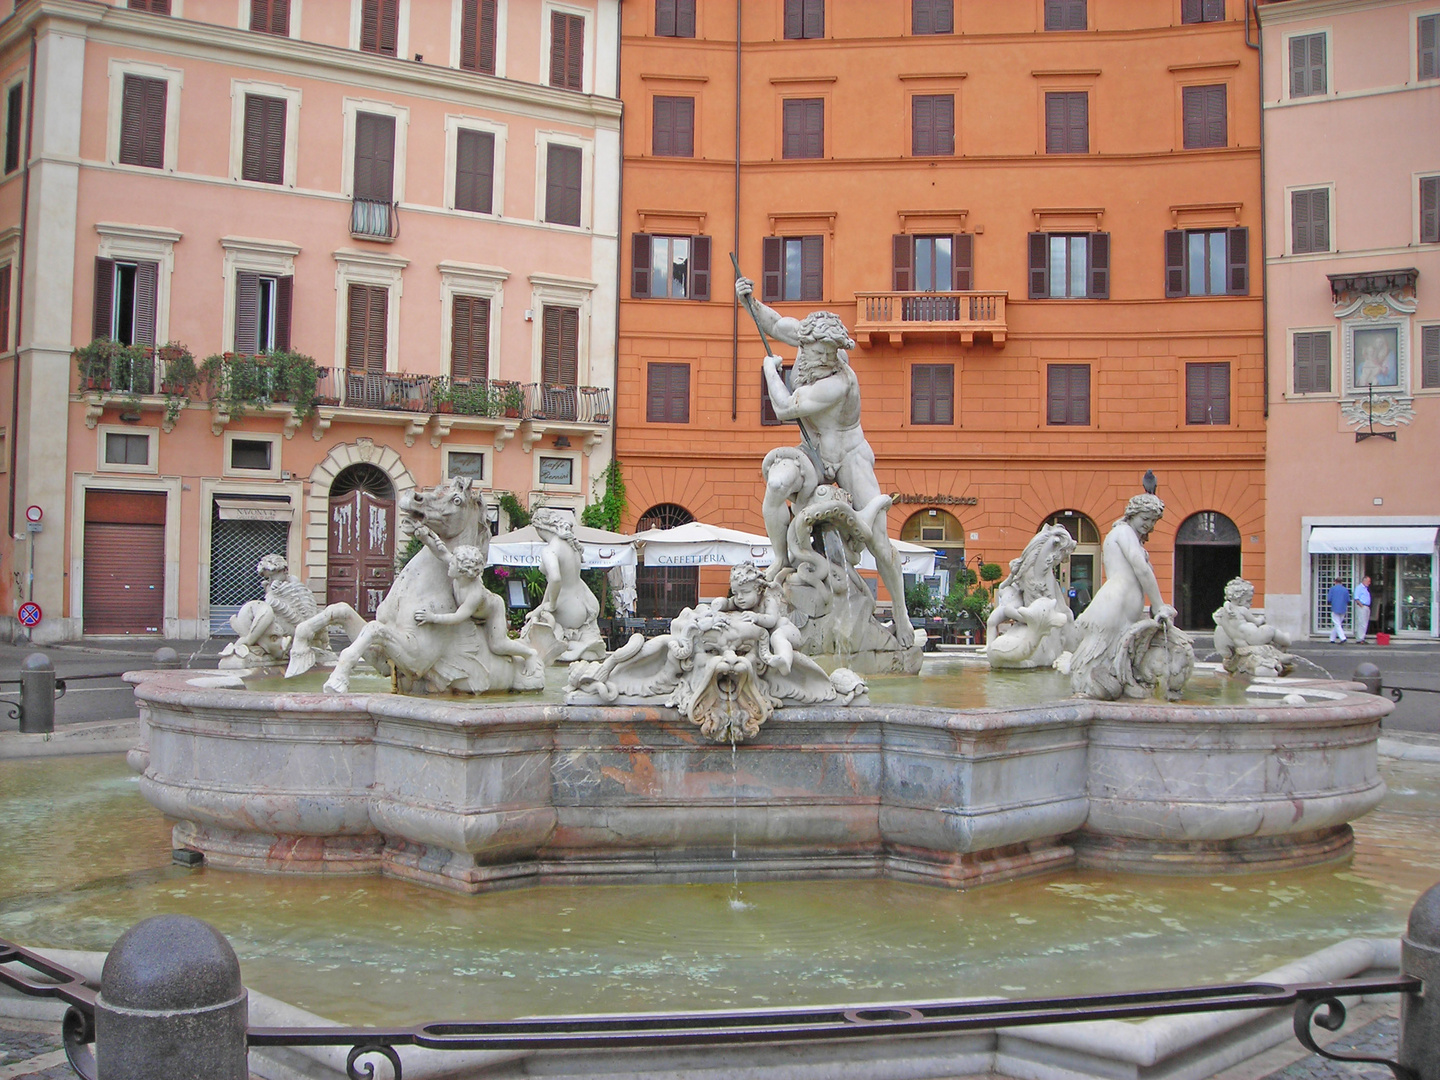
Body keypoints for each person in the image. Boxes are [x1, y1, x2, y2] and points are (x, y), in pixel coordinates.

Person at [735, 275, 914, 649]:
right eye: (816, 352)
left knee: (879, 539)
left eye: (828, 355)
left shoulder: (837, 382)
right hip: (812, 450)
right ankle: (781, 558)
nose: (821, 359)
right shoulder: (804, 338)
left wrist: (770, 370)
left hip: (849, 455)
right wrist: (748, 300)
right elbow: (771, 322)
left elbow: (785, 408)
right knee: (777, 484)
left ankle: (900, 615)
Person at [1067, 493, 1179, 699]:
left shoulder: (1127, 535)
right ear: (1132, 514)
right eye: (1145, 518)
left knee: (1115, 654)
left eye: (1153, 521)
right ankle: (1086, 694)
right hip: (1114, 604)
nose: (1148, 524)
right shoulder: (1124, 531)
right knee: (1097, 655)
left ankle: (1116, 685)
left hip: (1121, 605)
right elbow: (1141, 568)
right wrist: (1159, 605)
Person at [411, 525, 537, 663]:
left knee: (498, 645)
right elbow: (442, 554)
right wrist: (426, 539)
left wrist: (432, 617)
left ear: (463, 571)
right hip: (475, 611)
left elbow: (457, 617)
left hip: (493, 610)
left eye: (452, 564)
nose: (449, 565)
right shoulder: (461, 572)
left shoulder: (474, 594)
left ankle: (529, 654)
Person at [1326, 577, 1351, 643]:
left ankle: (1343, 638)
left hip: (1335, 608)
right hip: (1343, 608)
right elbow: (1348, 600)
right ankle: (1332, 638)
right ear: (1341, 582)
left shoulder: (1332, 589)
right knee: (1338, 624)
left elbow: (1329, 599)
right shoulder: (1345, 590)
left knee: (1337, 624)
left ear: (1335, 582)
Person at [1353, 575, 1372, 644]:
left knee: (1365, 623)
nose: (1369, 583)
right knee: (1362, 623)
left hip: (1366, 607)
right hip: (1362, 606)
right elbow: (1356, 598)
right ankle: (1360, 638)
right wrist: (1361, 606)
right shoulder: (1359, 588)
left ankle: (1362, 637)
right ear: (1364, 581)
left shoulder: (1365, 589)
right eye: (1368, 581)